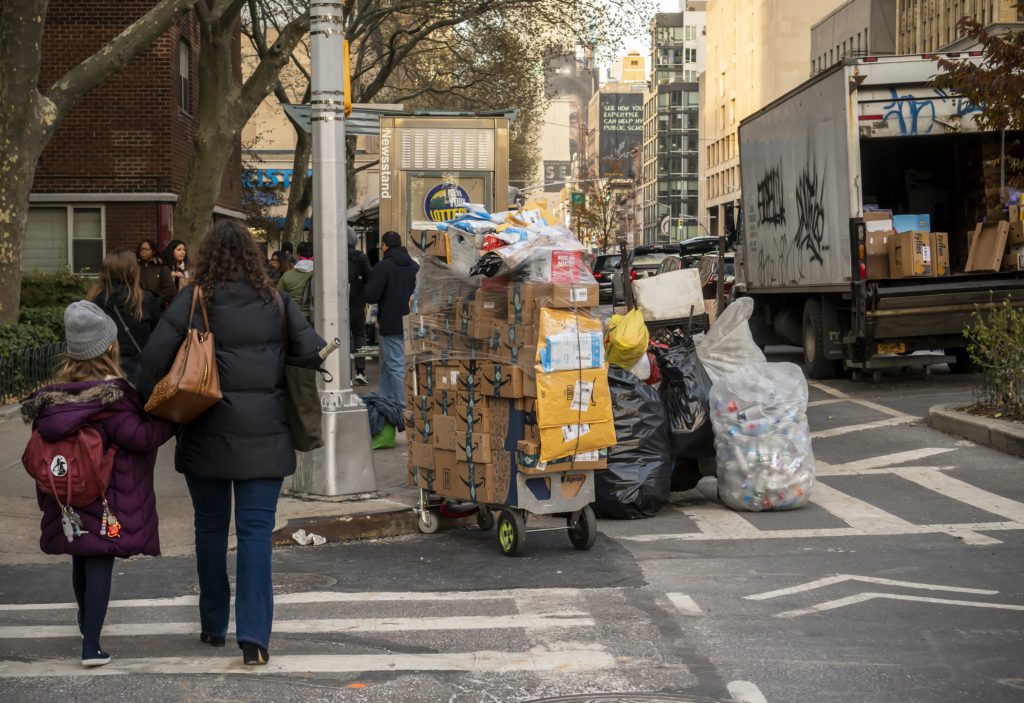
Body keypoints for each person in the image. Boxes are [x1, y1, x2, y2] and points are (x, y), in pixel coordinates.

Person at [137, 220, 323, 667]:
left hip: (205, 433)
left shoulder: (194, 299)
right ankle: (255, 638)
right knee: (256, 533)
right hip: (267, 436)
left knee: (210, 528)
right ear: (250, 258)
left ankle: (213, 623)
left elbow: (151, 364)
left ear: (207, 256)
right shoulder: (276, 301)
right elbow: (310, 353)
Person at [22, 301, 175, 667]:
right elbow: (141, 437)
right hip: (106, 494)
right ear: (109, 346)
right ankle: (91, 645)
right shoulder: (113, 398)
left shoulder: (55, 399)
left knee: (81, 556)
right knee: (100, 561)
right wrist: (174, 418)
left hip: (67, 494)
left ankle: (85, 622)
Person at [365, 230, 418, 411]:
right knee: (388, 364)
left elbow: (371, 295)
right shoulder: (414, 266)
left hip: (390, 322)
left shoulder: (383, 267)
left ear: (385, 245)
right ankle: (386, 402)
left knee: (395, 366)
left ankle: (403, 409)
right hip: (412, 322)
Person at [87, 249, 159, 383]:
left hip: (104, 372)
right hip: (140, 373)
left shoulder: (95, 301)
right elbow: (158, 337)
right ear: (132, 270)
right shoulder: (145, 299)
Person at [348, 226, 372, 385]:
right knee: (359, 335)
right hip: (357, 302)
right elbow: (369, 277)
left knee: (342, 337)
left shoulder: (335, 255)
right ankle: (360, 371)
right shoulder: (361, 257)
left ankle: (345, 375)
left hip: (339, 303)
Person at [277, 241, 314, 322]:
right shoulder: (321, 275)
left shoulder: (287, 275)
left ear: (297, 255)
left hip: (294, 318)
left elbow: (278, 298)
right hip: (316, 317)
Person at [136, 240, 176, 307]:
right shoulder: (136, 267)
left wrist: (155, 302)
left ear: (154, 251)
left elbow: (171, 290)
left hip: (156, 307)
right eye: (141, 249)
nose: (143, 251)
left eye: (146, 249)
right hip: (138, 306)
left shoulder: (162, 268)